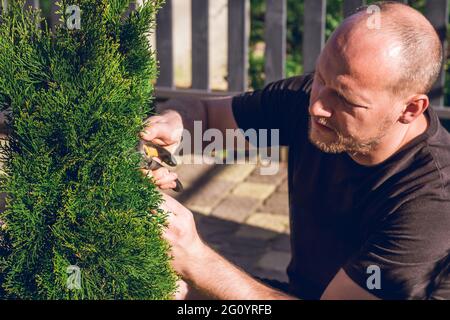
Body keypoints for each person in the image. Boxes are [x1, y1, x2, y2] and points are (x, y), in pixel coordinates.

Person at [141, 2, 450, 300]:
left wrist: (196, 260)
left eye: (345, 99)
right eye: (320, 77)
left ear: (410, 109)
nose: (317, 106)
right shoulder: (308, 101)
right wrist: (173, 126)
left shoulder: (432, 204)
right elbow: (204, 117)